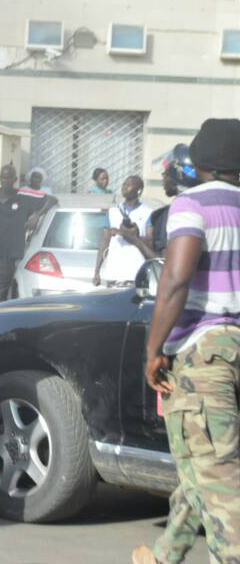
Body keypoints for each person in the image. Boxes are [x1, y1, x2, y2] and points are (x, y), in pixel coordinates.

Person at [133, 118, 240, 564]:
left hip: (205, 354)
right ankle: (164, 554)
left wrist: (153, 350)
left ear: (198, 159)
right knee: (204, 466)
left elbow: (175, 279)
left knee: (220, 482)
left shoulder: (191, 204)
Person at [0, 165, 57, 308]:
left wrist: (37, 214)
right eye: (3, 177)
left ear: (15, 179)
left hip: (7, 254)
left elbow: (52, 200)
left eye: (9, 178)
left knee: (0, 294)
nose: (6, 181)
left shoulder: (25, 196)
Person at [93, 175, 153, 287]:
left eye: (129, 185)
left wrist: (134, 236)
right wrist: (97, 271)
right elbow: (104, 242)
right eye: (124, 184)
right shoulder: (113, 211)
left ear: (139, 191)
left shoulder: (148, 212)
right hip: (114, 274)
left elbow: (150, 241)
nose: (124, 187)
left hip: (136, 274)